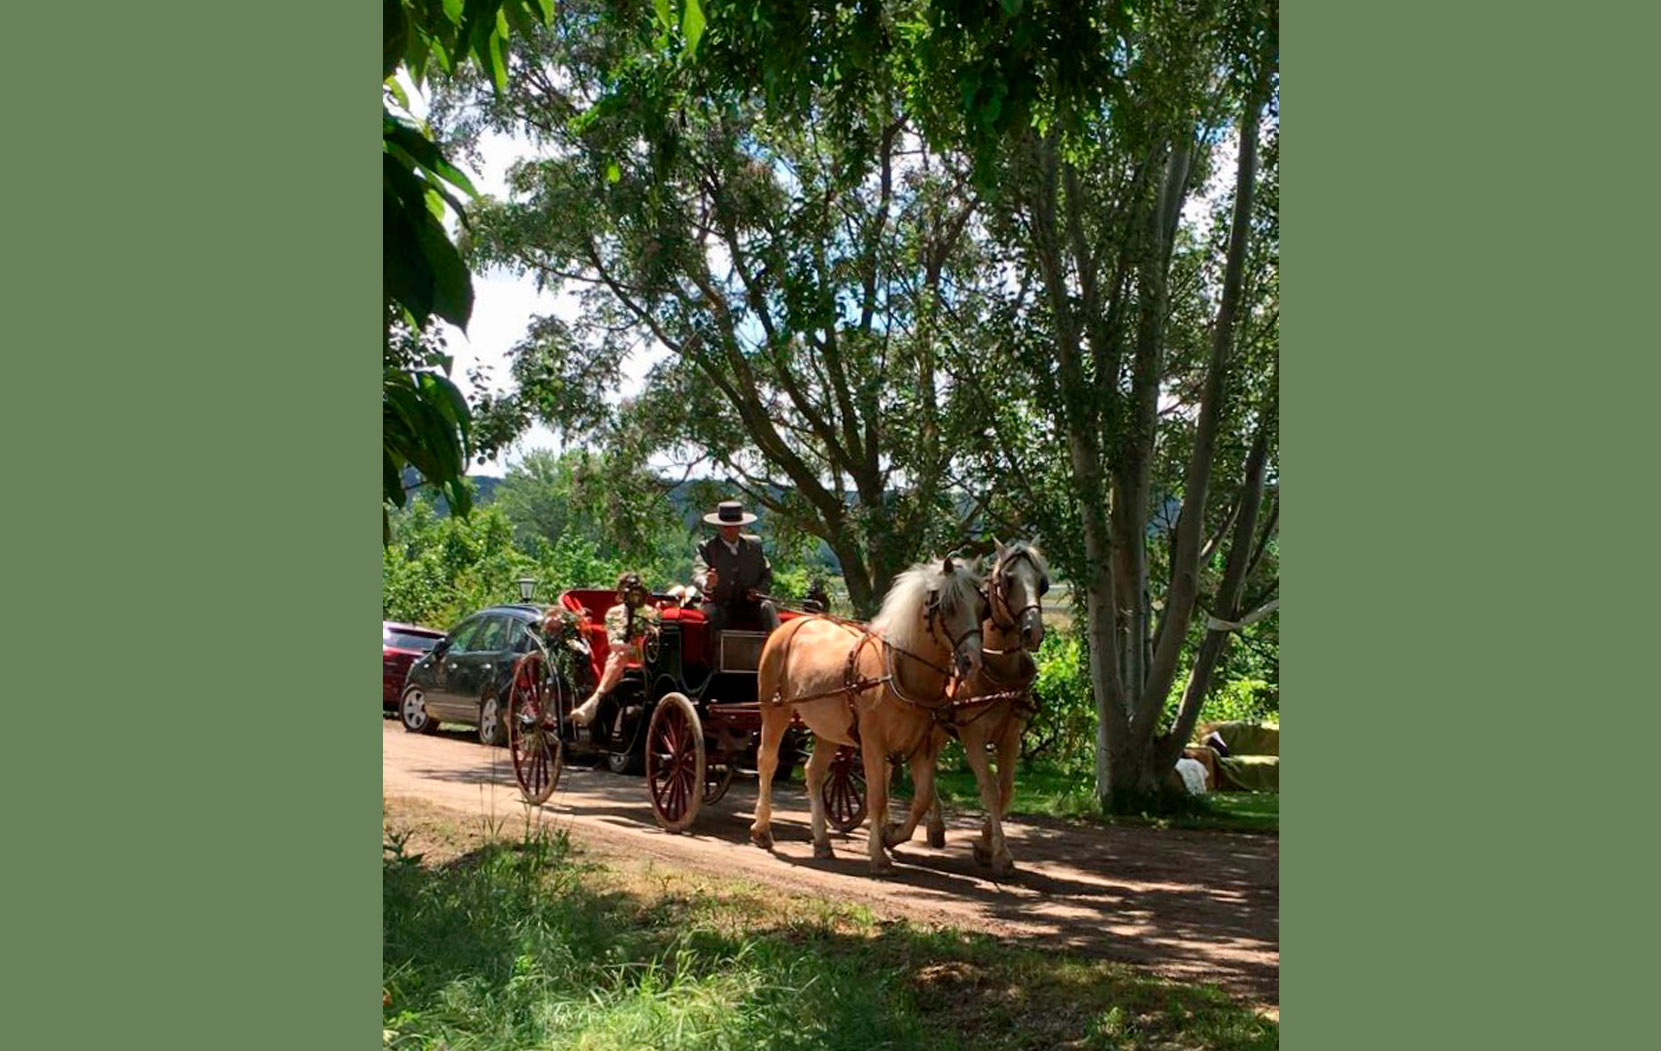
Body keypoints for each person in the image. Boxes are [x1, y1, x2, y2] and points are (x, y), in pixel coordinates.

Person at [569, 572, 658, 728]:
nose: (630, 592)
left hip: (648, 655)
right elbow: (615, 643)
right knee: (620, 653)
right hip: (624, 655)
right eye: (627, 588)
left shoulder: (651, 612)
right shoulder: (614, 613)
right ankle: (595, 700)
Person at [692, 501, 780, 645]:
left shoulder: (754, 546)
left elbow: (767, 574)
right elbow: (698, 573)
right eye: (725, 526)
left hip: (750, 605)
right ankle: (718, 662)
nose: (729, 530)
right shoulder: (707, 547)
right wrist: (707, 583)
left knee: (767, 606)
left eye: (733, 526)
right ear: (719, 526)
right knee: (716, 614)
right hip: (718, 603)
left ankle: (777, 652)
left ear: (740, 526)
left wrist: (758, 591)